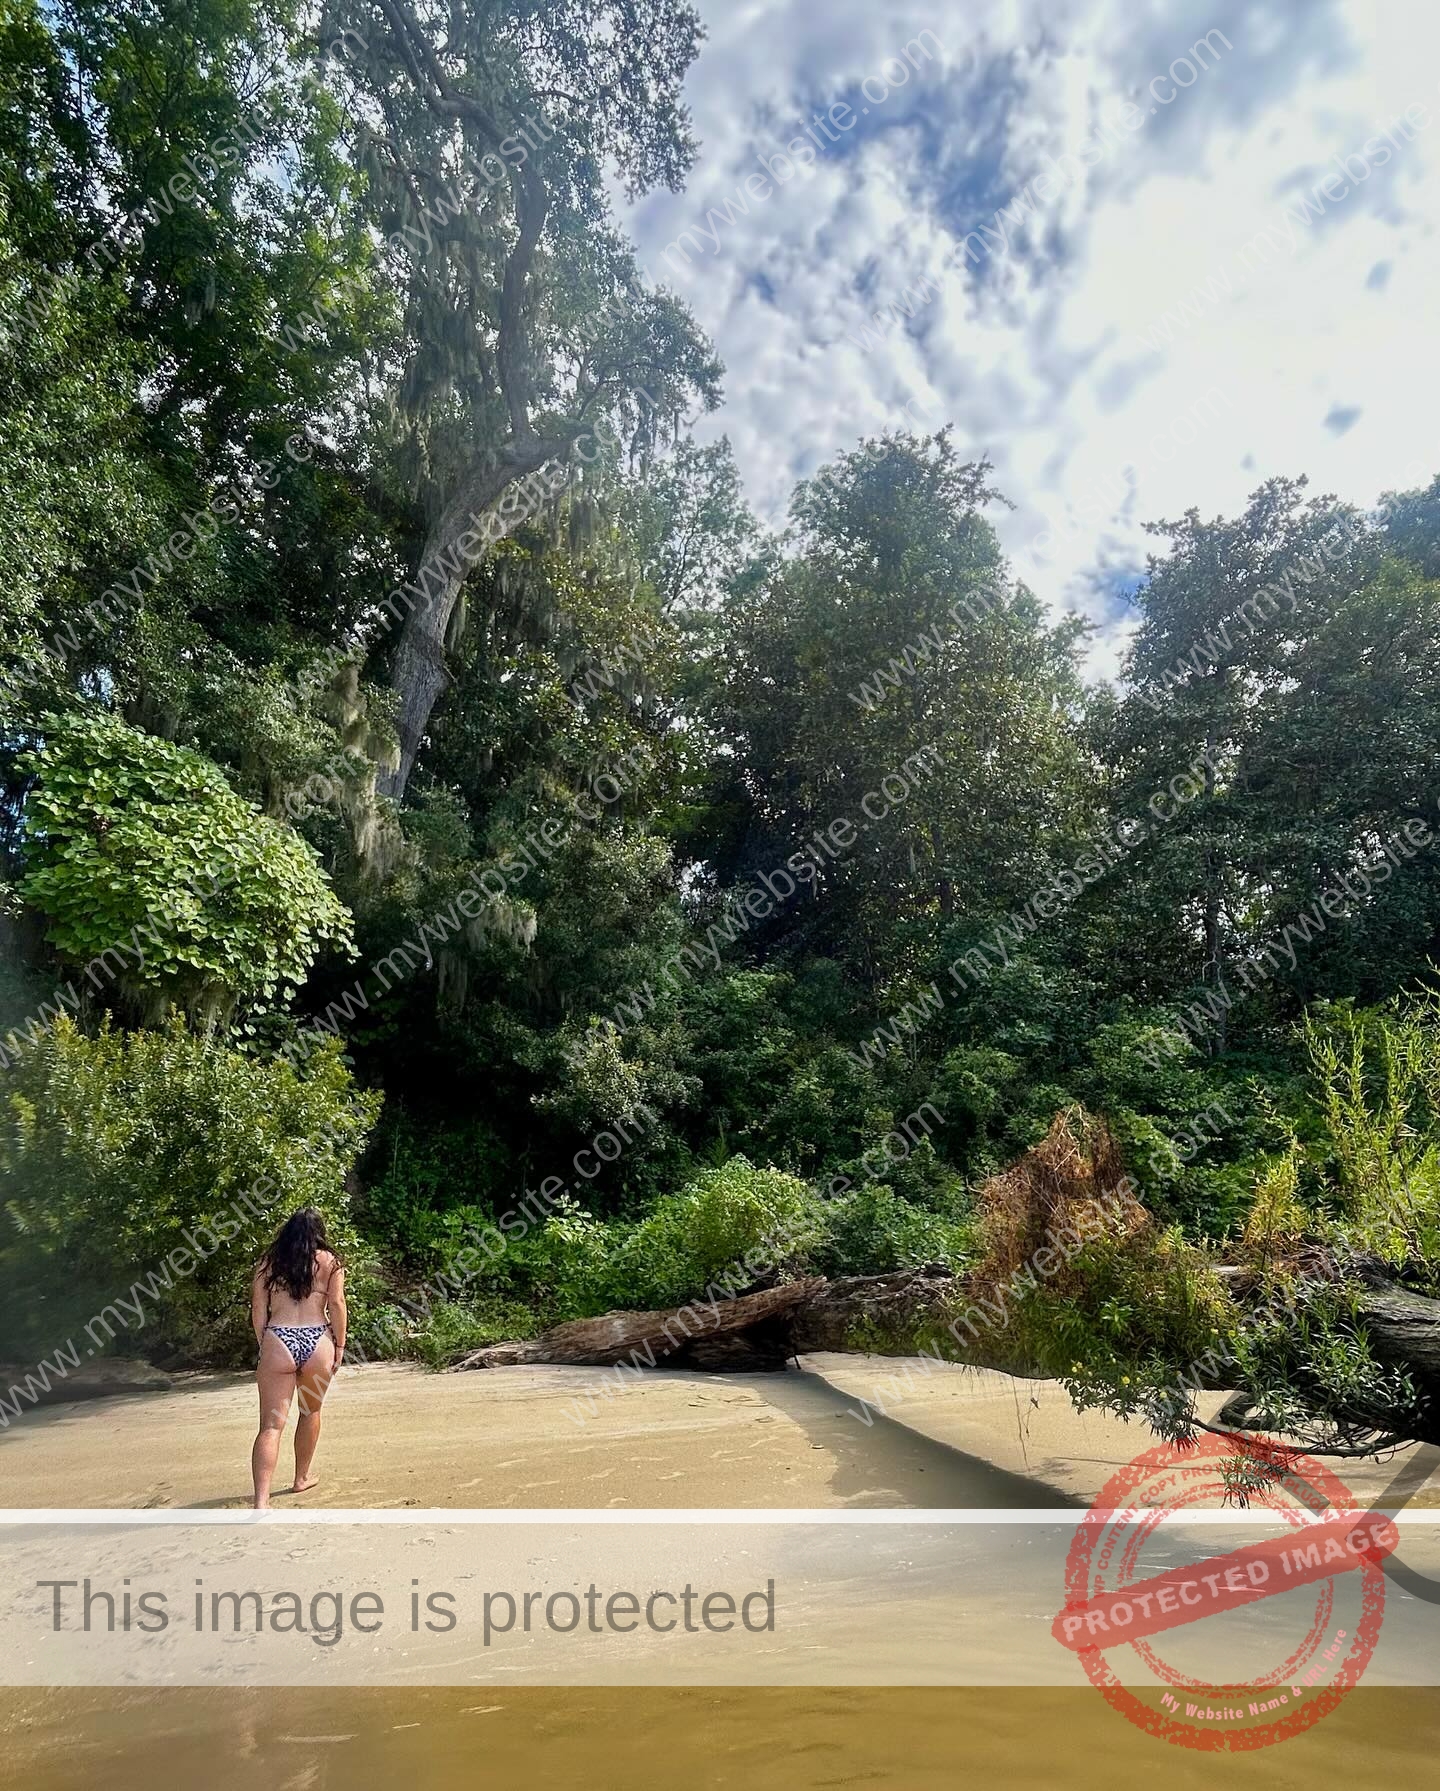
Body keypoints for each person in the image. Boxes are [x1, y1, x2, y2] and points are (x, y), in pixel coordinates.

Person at [249, 1207, 347, 1508]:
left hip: (279, 1337)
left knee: (270, 1425)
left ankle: (261, 1502)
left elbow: (258, 1307)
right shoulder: (330, 1262)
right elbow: (337, 1304)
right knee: (310, 1412)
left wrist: (263, 1341)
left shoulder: (269, 1262)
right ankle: (300, 1478)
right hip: (317, 1339)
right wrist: (340, 1345)